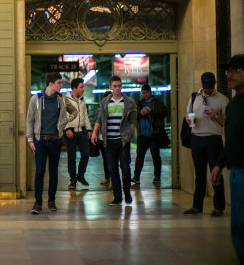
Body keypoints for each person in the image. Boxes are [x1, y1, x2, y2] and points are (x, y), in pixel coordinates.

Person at [212, 54, 244, 264]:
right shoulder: (233, 105)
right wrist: (218, 164)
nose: (229, 75)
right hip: (235, 170)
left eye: (235, 70)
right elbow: (231, 137)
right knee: (238, 221)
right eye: (228, 71)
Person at [26, 72, 76, 214]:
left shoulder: (62, 99)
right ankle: (38, 203)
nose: (62, 85)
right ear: (51, 84)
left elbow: (74, 110)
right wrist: (30, 139)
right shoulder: (36, 99)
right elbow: (30, 120)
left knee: (53, 172)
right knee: (40, 171)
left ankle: (51, 201)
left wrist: (69, 118)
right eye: (59, 83)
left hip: (55, 141)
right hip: (40, 141)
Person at [183, 72, 228, 217]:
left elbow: (227, 123)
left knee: (216, 174)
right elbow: (187, 115)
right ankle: (197, 206)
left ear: (214, 83)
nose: (208, 89)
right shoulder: (194, 97)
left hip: (213, 139)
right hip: (197, 139)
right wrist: (190, 121)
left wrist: (216, 115)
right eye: (205, 86)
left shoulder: (222, 99)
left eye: (210, 86)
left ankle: (218, 207)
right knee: (199, 174)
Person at [90, 76, 137, 206]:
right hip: (108, 141)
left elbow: (133, 122)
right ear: (110, 87)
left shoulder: (129, 102)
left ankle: (127, 192)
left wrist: (128, 136)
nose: (118, 88)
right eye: (115, 86)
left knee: (125, 167)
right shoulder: (105, 102)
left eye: (119, 85)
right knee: (113, 169)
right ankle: (117, 197)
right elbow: (99, 119)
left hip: (122, 141)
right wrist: (94, 133)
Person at [132, 84, 168, 185]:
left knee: (155, 156)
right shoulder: (139, 104)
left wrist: (152, 111)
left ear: (150, 92)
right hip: (142, 135)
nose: (145, 95)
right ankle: (136, 176)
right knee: (139, 156)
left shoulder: (157, 102)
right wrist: (141, 113)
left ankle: (157, 176)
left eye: (147, 93)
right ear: (141, 93)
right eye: (143, 93)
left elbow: (164, 112)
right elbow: (134, 117)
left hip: (154, 134)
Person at [64, 78, 93, 190]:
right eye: (81, 87)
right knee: (72, 157)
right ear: (74, 88)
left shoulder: (82, 101)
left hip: (82, 132)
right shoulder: (65, 100)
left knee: (86, 154)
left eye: (83, 87)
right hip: (70, 132)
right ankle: (73, 181)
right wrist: (67, 129)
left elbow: (85, 116)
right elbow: (62, 117)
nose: (83, 89)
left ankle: (80, 176)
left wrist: (89, 129)